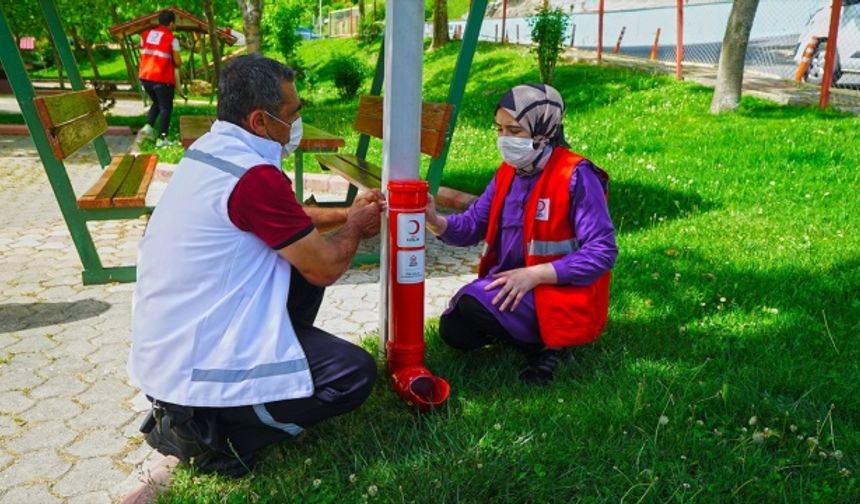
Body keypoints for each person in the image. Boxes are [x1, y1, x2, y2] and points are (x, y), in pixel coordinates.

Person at [122, 54, 384, 502]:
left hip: (172, 345)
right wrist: (356, 226)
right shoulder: (254, 175)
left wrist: (343, 212)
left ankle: (210, 408)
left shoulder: (213, 151)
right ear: (260, 121)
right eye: (293, 113)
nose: (297, 121)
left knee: (292, 267)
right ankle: (212, 439)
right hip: (195, 360)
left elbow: (287, 219)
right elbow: (324, 266)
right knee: (353, 373)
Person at [425, 83, 617, 386]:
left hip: (560, 292)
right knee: (455, 330)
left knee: (474, 305)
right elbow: (473, 224)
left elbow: (602, 251)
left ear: (544, 131)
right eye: (499, 130)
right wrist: (434, 221)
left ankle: (552, 346)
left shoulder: (576, 175)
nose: (504, 140)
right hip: (518, 284)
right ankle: (525, 331)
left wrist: (535, 275)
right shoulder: (508, 172)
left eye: (514, 131)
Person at [138, 10, 182, 147]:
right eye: (174, 23)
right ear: (171, 23)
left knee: (157, 103)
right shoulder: (172, 39)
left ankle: (148, 126)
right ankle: (162, 139)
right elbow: (178, 62)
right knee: (166, 108)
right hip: (162, 78)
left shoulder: (145, 35)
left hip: (145, 77)